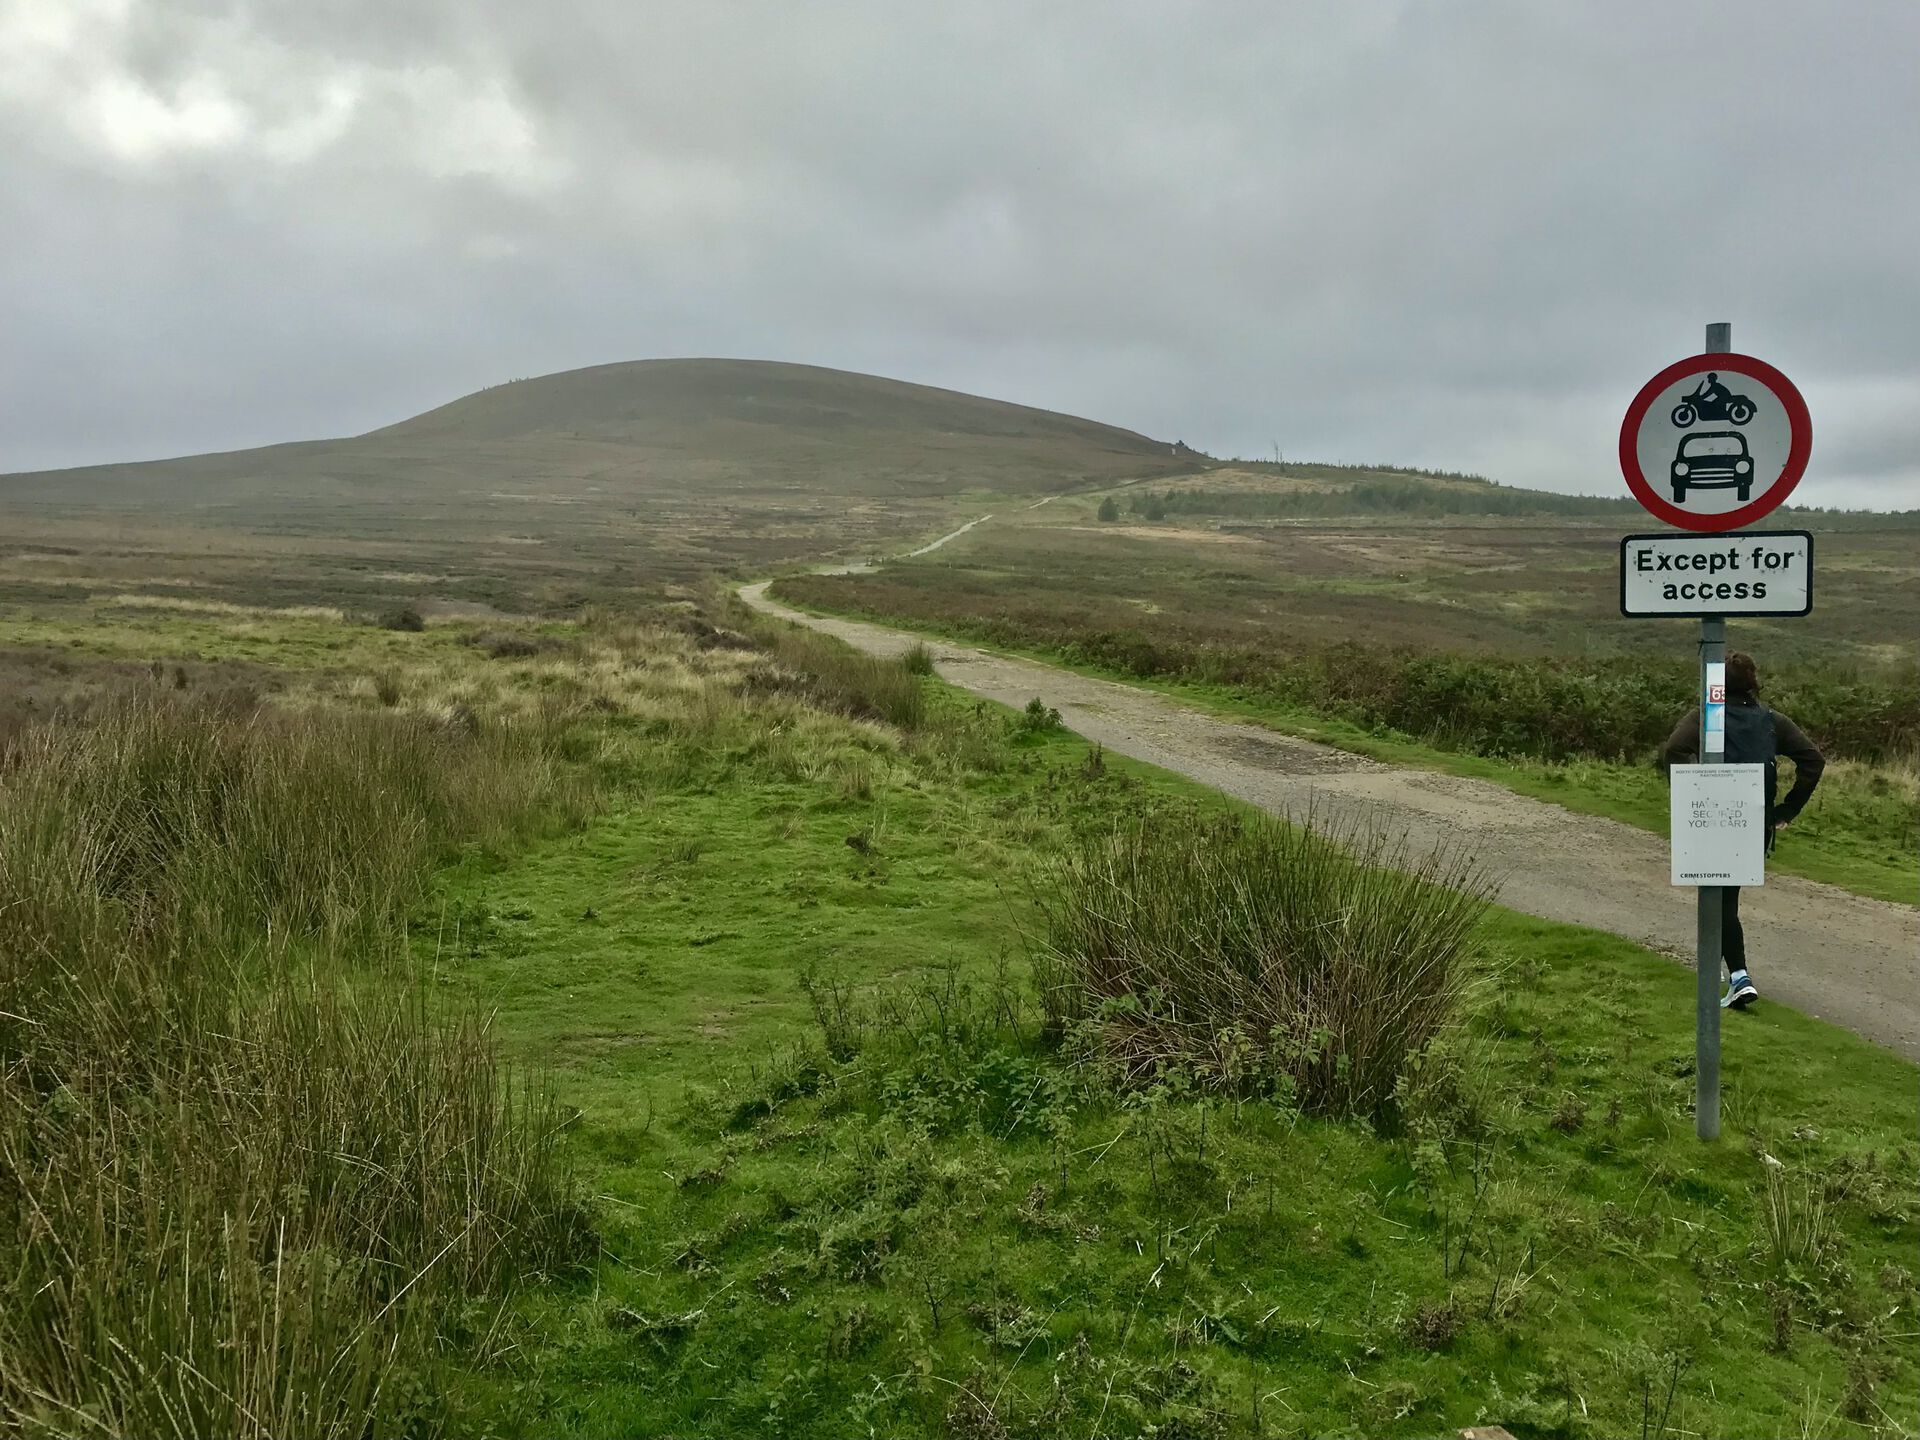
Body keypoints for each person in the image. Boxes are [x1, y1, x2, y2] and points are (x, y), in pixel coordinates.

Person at [1660, 651, 1824, 1009]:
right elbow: (1813, 760)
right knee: (1724, 896)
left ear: (1717, 684)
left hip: (1710, 814)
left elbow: (1674, 749)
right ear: (1753, 682)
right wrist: (1787, 810)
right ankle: (1730, 971)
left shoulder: (1705, 716)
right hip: (1754, 819)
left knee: (1717, 898)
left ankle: (1738, 976)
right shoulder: (1772, 721)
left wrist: (1688, 791)